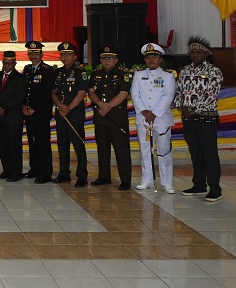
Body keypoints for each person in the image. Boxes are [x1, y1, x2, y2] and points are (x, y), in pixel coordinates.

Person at [174, 35, 224, 202]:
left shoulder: (213, 71)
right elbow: (178, 92)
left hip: (206, 119)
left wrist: (192, 109)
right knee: (195, 153)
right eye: (192, 52)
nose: (194, 55)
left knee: (209, 154)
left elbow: (211, 95)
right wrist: (182, 107)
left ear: (206, 54)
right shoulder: (185, 70)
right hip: (188, 119)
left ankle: (215, 188)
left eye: (198, 52)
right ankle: (199, 185)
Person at [131, 43, 176, 194]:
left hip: (161, 119)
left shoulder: (168, 76)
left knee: (164, 151)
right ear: (145, 60)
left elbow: (168, 95)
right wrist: (144, 111)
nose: (151, 60)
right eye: (148, 57)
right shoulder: (138, 75)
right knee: (145, 150)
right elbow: (135, 94)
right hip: (143, 119)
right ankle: (147, 180)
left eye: (154, 57)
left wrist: (154, 113)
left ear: (160, 59)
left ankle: (167, 183)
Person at [87, 46, 133, 190]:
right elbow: (91, 91)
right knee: (102, 148)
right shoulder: (95, 74)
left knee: (121, 150)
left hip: (116, 118)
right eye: (104, 58)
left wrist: (108, 106)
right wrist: (100, 104)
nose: (106, 61)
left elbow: (123, 94)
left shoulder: (122, 75)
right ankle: (104, 177)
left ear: (116, 60)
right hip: (100, 117)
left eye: (110, 58)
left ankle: (125, 180)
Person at [51, 42, 89, 187]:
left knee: (78, 145)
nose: (65, 57)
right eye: (62, 54)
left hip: (74, 114)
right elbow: (53, 92)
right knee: (62, 144)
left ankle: (82, 176)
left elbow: (81, 93)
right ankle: (64, 173)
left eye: (68, 54)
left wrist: (68, 108)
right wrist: (60, 106)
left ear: (75, 57)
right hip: (61, 113)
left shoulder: (81, 72)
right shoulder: (57, 72)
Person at [22, 40, 56, 183]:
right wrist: (24, 105)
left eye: (36, 53)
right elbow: (25, 90)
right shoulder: (27, 69)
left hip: (41, 113)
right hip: (28, 112)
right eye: (31, 53)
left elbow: (46, 92)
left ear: (42, 54)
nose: (33, 55)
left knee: (42, 142)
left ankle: (45, 173)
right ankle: (34, 168)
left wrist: (33, 108)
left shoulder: (47, 70)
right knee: (32, 141)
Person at [0, 51, 27, 182]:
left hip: (13, 117)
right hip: (1, 117)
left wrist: (4, 108)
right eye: (6, 63)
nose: (7, 66)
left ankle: (16, 173)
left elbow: (19, 98)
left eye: (10, 63)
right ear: (2, 63)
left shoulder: (20, 78)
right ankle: (7, 169)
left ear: (15, 64)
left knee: (14, 146)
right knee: (3, 145)